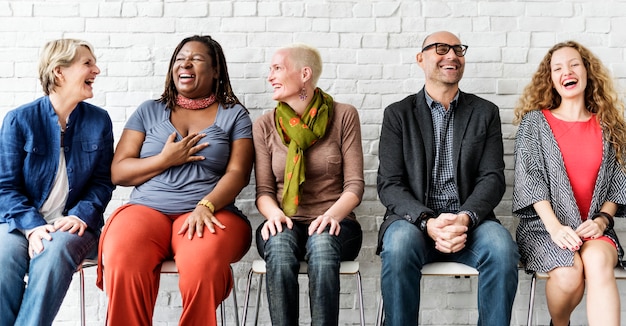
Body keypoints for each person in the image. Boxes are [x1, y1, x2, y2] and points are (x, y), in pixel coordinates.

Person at [96, 35, 253, 326]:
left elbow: (238, 174)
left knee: (201, 264)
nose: (186, 63)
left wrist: (207, 204)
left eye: (196, 59)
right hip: (146, 210)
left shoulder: (235, 115)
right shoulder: (149, 111)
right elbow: (118, 172)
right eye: (180, 58)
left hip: (209, 212)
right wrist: (166, 159)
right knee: (123, 256)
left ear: (216, 70)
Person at [376, 31, 520, 325]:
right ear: (421, 59)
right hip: (413, 222)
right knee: (399, 246)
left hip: (471, 222)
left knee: (503, 249)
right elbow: (389, 183)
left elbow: (492, 178)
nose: (452, 55)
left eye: (458, 49)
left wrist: (465, 218)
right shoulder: (398, 114)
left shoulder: (485, 112)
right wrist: (427, 222)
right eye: (441, 48)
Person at [0, 39, 114, 325]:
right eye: (87, 63)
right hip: (21, 223)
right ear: (59, 71)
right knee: (3, 257)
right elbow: (6, 187)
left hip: (74, 226)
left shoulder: (99, 121)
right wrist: (32, 226)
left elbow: (103, 182)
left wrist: (82, 215)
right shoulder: (19, 120)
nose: (96, 70)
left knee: (53, 252)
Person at [513, 41, 626, 326]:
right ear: (550, 79)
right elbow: (531, 179)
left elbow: (619, 183)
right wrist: (555, 228)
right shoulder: (534, 124)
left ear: (587, 72)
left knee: (599, 263)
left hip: (592, 227)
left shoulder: (610, 125)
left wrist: (601, 221)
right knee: (569, 272)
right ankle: (559, 324)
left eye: (574, 64)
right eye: (558, 68)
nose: (567, 71)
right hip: (545, 227)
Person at [253, 43, 364, 325]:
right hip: (284, 220)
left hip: (337, 222)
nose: (270, 77)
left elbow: (354, 186)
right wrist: (275, 214)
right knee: (277, 247)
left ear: (305, 74)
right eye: (270, 70)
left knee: (323, 244)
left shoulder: (343, 115)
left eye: (278, 68)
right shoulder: (265, 125)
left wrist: (331, 216)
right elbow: (264, 192)